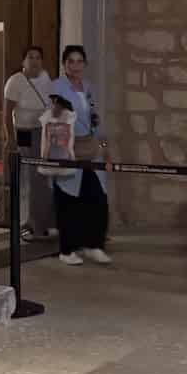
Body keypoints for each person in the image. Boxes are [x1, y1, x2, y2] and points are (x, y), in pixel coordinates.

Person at [46, 44, 111, 265]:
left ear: (85, 64)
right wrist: (64, 147)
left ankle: (93, 244)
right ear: (64, 64)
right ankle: (67, 249)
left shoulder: (89, 87)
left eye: (79, 61)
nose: (75, 66)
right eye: (70, 61)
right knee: (68, 201)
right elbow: (53, 120)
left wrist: (105, 148)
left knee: (97, 199)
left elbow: (97, 120)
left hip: (90, 151)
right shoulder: (55, 87)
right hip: (67, 150)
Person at [3, 45, 56, 241]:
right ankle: (28, 222)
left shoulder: (45, 79)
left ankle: (44, 221)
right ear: (23, 61)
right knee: (30, 177)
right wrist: (11, 138)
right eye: (30, 57)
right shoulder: (15, 81)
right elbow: (8, 112)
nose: (34, 61)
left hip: (42, 131)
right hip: (24, 132)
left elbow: (51, 104)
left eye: (38, 57)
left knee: (44, 177)